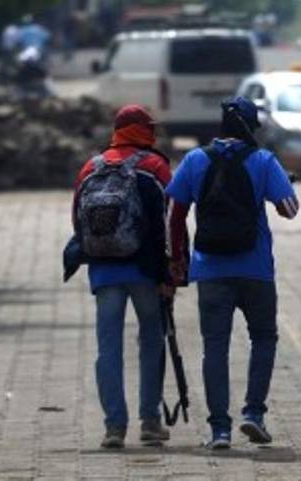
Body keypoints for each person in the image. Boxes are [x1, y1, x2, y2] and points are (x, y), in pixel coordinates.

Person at [167, 97, 301, 450]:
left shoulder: (195, 159)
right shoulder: (263, 160)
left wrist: (177, 258)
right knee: (264, 338)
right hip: (256, 269)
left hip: (210, 268)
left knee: (215, 346)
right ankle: (253, 413)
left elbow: (175, 212)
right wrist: (284, 183)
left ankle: (219, 430)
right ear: (250, 128)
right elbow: (289, 209)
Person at [72, 105, 173, 449]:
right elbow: (169, 223)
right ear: (142, 130)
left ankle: (114, 427)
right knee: (152, 340)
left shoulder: (91, 167)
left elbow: (77, 222)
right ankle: (150, 421)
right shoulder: (154, 167)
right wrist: (171, 272)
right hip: (145, 271)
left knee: (108, 348)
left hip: (104, 271)